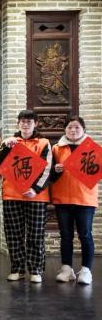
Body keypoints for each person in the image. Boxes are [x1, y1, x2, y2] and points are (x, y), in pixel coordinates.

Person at [0, 109, 52, 283]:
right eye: (23, 121)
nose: (25, 124)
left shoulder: (44, 143)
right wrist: (6, 147)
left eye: (29, 121)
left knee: (35, 234)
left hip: (36, 196)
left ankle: (35, 270)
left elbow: (47, 169)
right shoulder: (9, 142)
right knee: (13, 234)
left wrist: (35, 188)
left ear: (35, 124)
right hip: (11, 195)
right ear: (18, 123)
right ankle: (17, 269)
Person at [51, 116, 97, 285]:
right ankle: (66, 269)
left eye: (77, 127)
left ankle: (86, 270)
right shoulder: (56, 149)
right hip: (62, 198)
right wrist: (55, 170)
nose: (73, 130)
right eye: (70, 127)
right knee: (65, 235)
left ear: (83, 129)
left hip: (85, 198)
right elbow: (48, 175)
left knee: (85, 235)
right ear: (65, 129)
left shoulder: (92, 148)